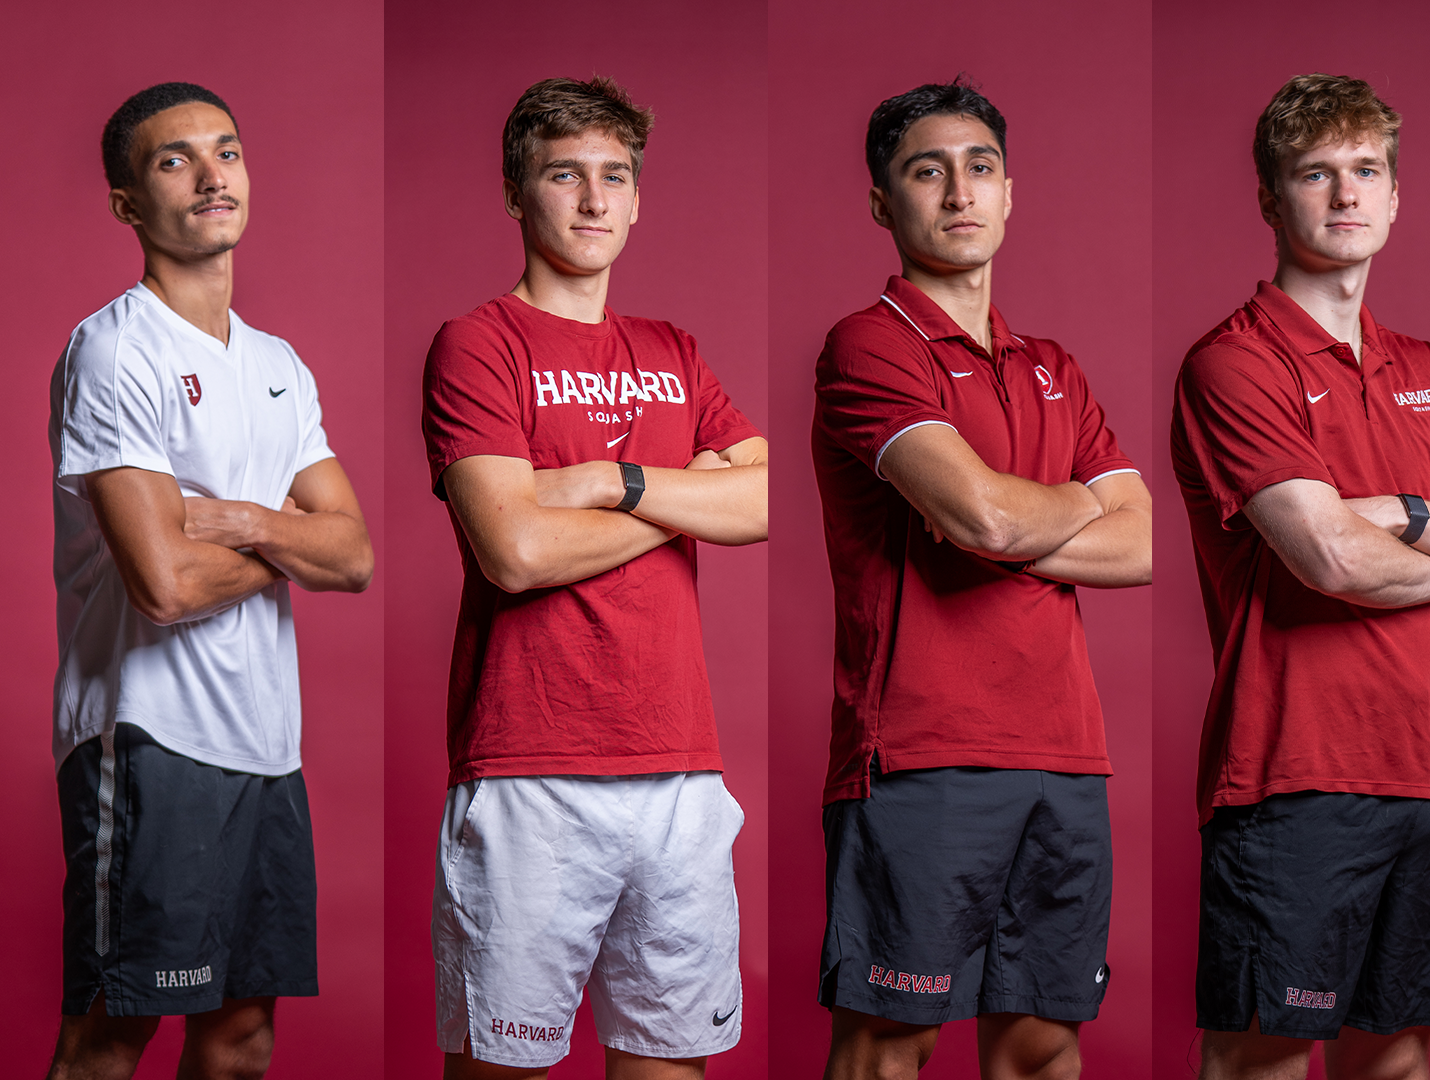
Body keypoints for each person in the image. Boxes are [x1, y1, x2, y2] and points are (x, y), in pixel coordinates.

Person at [1170, 74, 1430, 1080]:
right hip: (1295, 772)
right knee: (1264, 1057)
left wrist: (1405, 516)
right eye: (1315, 174)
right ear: (1270, 198)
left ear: (1396, 194)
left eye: (1365, 171)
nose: (1344, 195)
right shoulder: (1232, 365)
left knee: (1398, 1055)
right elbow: (1330, 557)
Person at [420, 76, 767, 1080]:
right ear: (514, 192)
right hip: (531, 769)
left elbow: (759, 504)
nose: (593, 201)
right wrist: (676, 498)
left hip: (680, 772)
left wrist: (605, 484)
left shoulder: (674, 351)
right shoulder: (477, 345)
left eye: (615, 176)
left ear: (639, 196)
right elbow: (515, 552)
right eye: (564, 175)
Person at [810, 78, 1151, 1080]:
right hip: (922, 754)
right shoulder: (870, 345)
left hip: (1066, 755)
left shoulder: (1057, 366)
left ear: (1010, 193)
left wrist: (997, 524)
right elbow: (984, 512)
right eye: (928, 170)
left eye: (981, 167)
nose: (960, 190)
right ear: (883, 202)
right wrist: (1049, 506)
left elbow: (1139, 545)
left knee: (1044, 1048)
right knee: (887, 1047)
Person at [46, 82, 375, 1080]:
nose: (209, 173)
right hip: (150, 741)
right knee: (109, 1039)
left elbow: (354, 555)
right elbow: (167, 584)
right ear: (127, 202)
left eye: (224, 151)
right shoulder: (115, 352)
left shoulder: (279, 364)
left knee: (240, 1041)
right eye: (172, 158)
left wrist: (246, 520)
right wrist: (292, 540)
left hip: (267, 748)